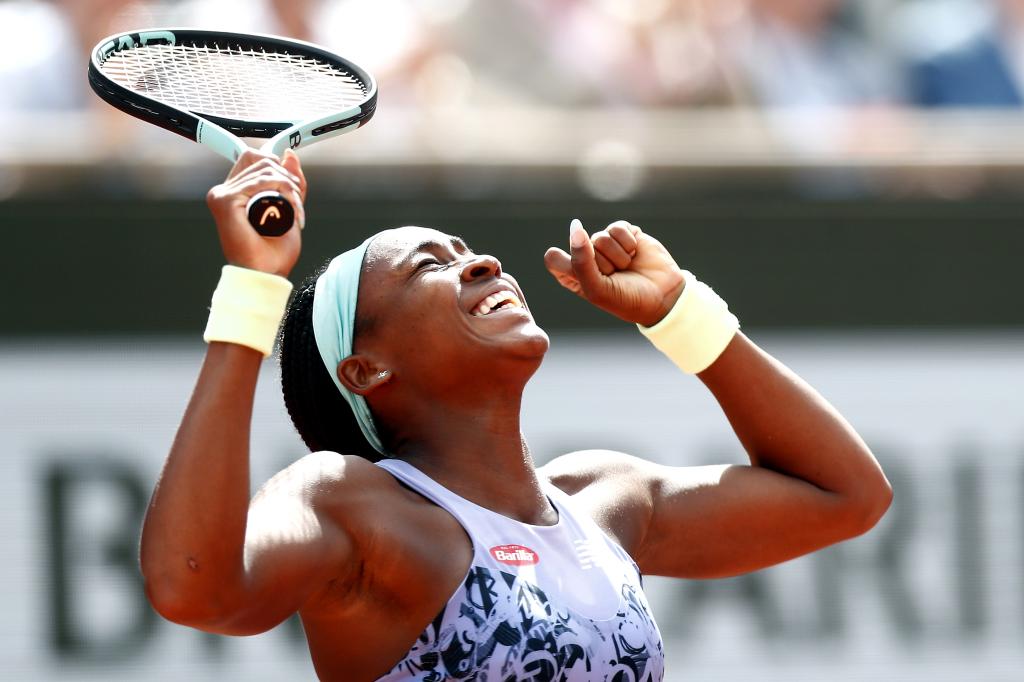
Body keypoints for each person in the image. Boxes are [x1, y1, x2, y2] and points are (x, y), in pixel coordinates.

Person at [139, 149, 892, 681]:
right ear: (366, 371)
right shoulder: (352, 507)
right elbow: (191, 584)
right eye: (428, 266)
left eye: (468, 249)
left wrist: (679, 313)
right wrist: (250, 290)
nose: (481, 263)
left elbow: (849, 496)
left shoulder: (603, 501)